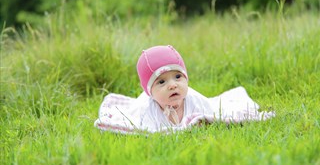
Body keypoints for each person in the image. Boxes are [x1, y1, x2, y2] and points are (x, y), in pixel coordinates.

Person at [94, 45, 275, 134]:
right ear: (150, 91)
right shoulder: (146, 108)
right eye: (161, 82)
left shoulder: (194, 99)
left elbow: (213, 114)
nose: (173, 85)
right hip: (141, 106)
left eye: (178, 77)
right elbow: (147, 131)